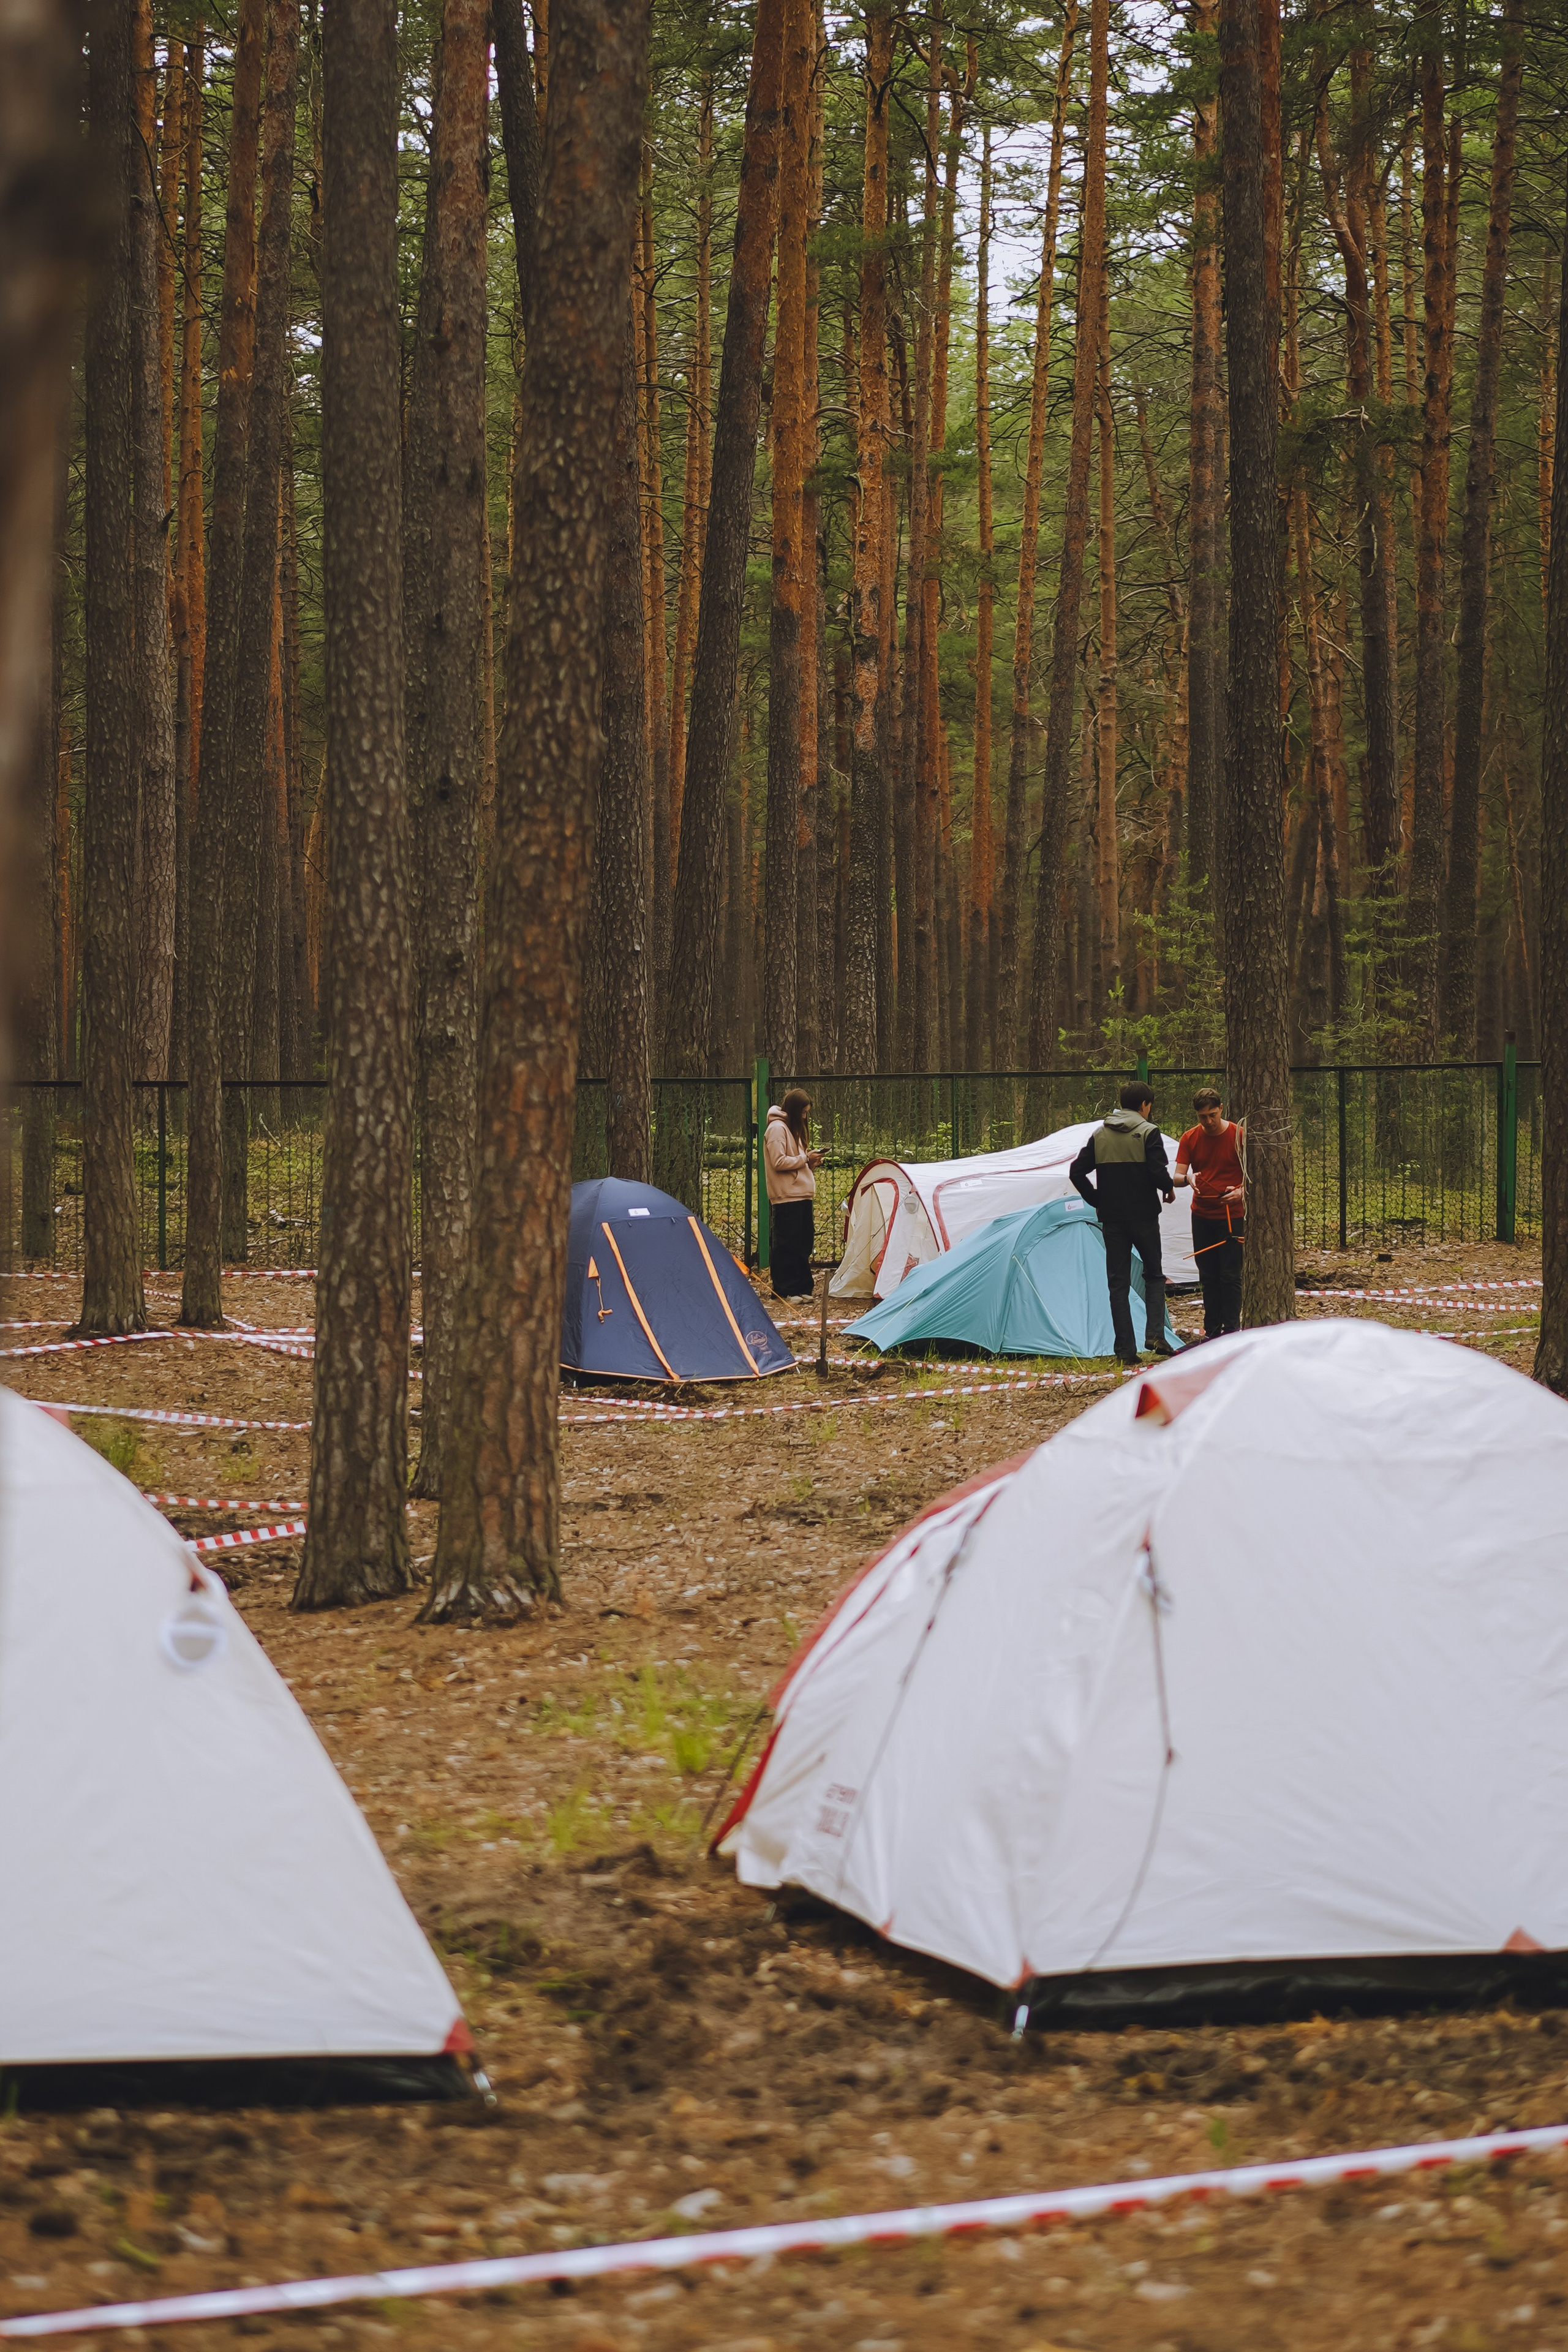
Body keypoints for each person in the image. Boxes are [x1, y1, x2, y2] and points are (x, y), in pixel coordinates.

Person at [1069, 1081, 1177, 1366]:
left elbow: (1076, 1172)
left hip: (1113, 1220)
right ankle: (1155, 1335)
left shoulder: (1100, 1134)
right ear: (1145, 1105)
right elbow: (1158, 1173)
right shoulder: (1149, 1132)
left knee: (1118, 1284)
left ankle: (1125, 1351)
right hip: (1144, 1217)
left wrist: (1097, 1199)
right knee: (1154, 1276)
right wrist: (1168, 1187)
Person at [1173, 1086, 1245, 1339]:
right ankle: (1212, 1331)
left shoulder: (1238, 1135)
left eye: (1213, 1115)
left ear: (1221, 1109)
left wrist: (1241, 1192)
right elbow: (1177, 1176)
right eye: (1203, 1117)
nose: (1209, 1121)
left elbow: (1255, 1175)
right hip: (1202, 1216)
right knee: (1208, 1275)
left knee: (1231, 1275)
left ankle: (1232, 1330)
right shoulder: (1190, 1138)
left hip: (1232, 1215)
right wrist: (1188, 1178)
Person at [764, 1088, 823, 1301]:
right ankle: (784, 1289)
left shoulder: (791, 1128)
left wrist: (810, 1162)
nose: (805, 1117)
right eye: (803, 1112)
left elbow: (796, 1159)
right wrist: (805, 1159)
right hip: (787, 1195)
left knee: (803, 1242)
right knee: (787, 1242)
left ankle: (802, 1287)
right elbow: (778, 1161)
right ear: (795, 1110)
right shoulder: (777, 1129)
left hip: (802, 1193)